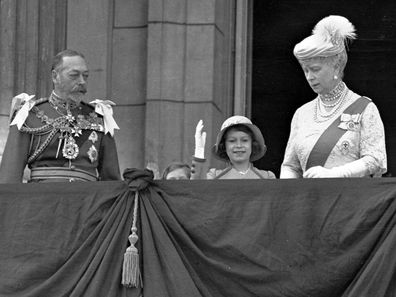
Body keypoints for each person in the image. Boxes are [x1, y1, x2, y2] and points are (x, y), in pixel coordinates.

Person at [280, 15, 387, 178]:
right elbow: (290, 166)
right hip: (309, 201)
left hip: (349, 200)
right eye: (305, 70)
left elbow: (375, 159)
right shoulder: (302, 113)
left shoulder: (365, 108)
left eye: (315, 69)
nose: (309, 77)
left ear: (336, 67)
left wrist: (336, 174)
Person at [0, 49, 121, 183]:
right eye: (74, 75)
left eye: (85, 76)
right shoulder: (29, 115)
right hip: (42, 200)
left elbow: (112, 180)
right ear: (55, 76)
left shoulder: (99, 117)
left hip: (88, 201)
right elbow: (9, 177)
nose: (82, 81)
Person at [191, 116, 276, 179]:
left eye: (244, 140)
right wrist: (199, 154)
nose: (239, 145)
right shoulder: (214, 176)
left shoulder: (267, 177)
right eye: (232, 141)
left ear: (252, 144)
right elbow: (197, 192)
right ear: (224, 146)